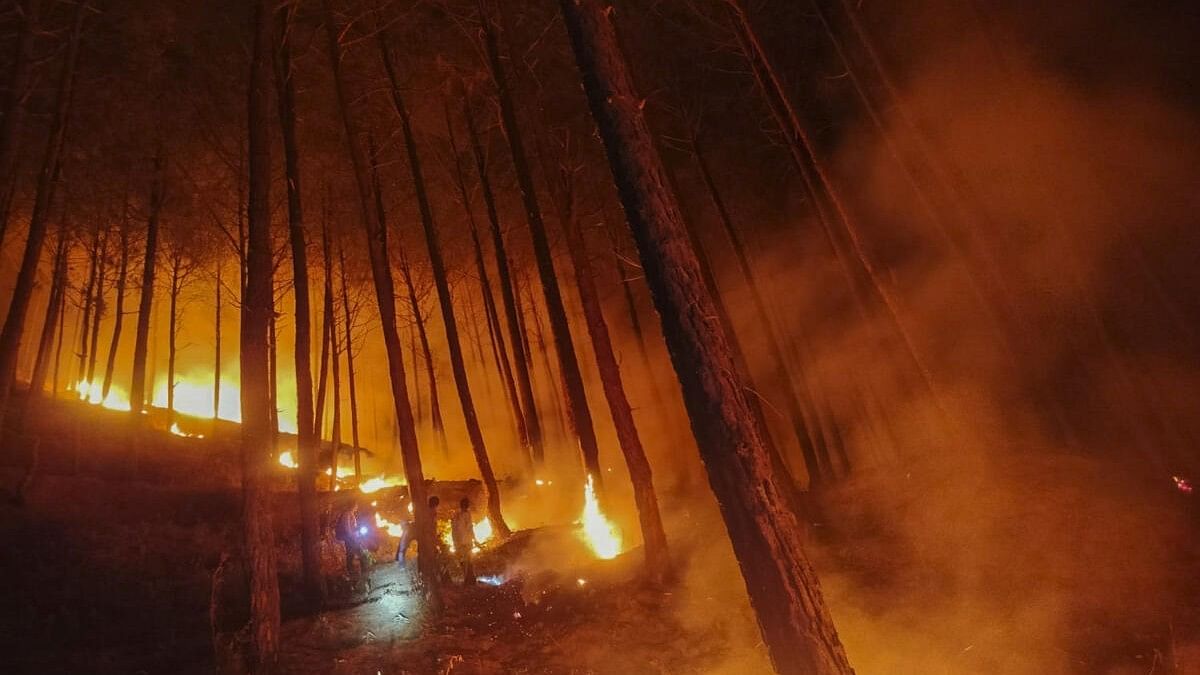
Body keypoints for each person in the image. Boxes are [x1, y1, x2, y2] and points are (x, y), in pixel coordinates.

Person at [396, 495, 440, 563]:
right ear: (436, 505)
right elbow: (431, 526)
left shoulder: (426, 510)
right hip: (418, 531)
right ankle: (400, 562)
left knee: (403, 547)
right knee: (403, 547)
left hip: (416, 530)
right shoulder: (431, 512)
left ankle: (400, 562)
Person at [335, 502, 369, 578]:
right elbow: (347, 527)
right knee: (352, 553)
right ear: (353, 505)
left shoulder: (351, 514)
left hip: (352, 537)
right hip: (350, 538)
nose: (357, 507)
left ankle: (359, 570)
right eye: (356, 505)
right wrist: (351, 537)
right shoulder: (347, 514)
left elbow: (352, 527)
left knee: (354, 553)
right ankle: (355, 571)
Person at [451, 497, 476, 585]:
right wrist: (474, 539)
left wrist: (455, 541)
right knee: (467, 560)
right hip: (465, 541)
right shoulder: (464, 515)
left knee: (464, 560)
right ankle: (469, 578)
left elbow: (454, 529)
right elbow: (469, 528)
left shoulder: (456, 515)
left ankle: (468, 578)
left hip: (461, 541)